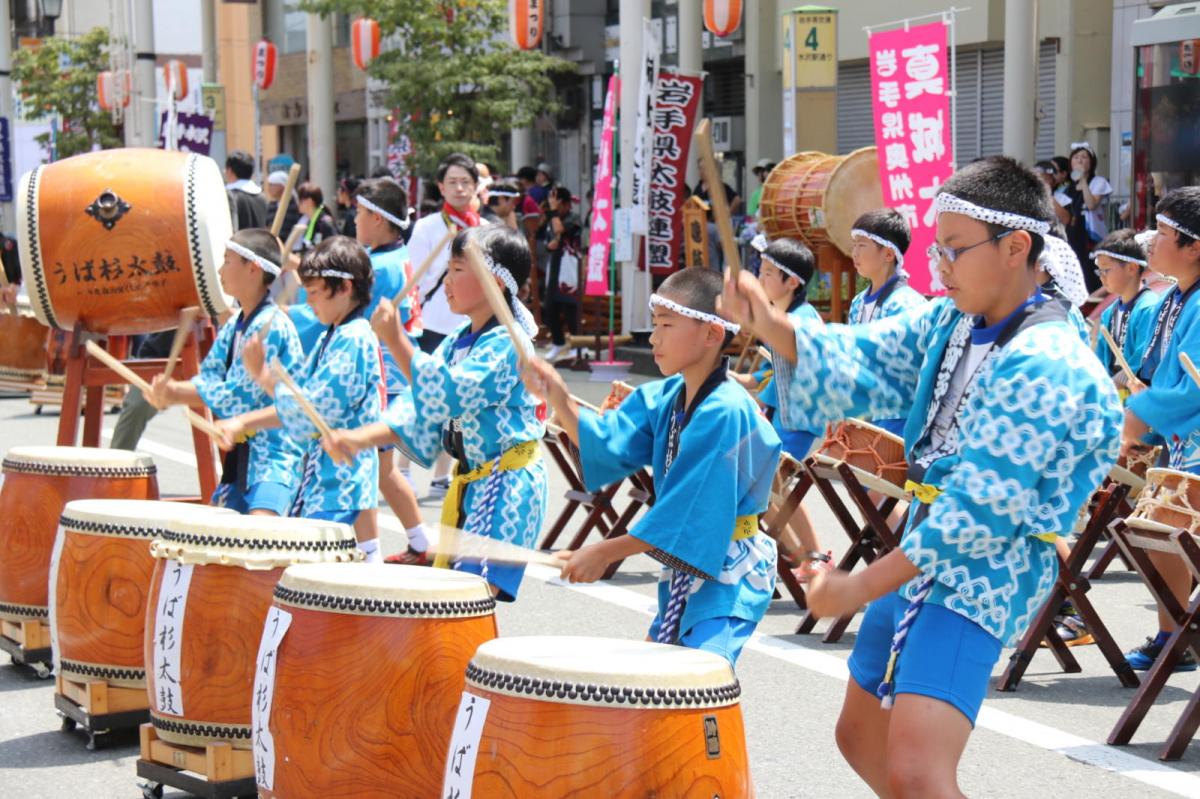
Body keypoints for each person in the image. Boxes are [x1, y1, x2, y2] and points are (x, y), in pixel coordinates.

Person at [719, 156, 1122, 795]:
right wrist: (770, 324)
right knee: (859, 737)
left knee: (918, 771)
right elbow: (867, 354)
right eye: (939, 250)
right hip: (923, 545)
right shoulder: (955, 323)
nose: (941, 267)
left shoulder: (1051, 364)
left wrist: (855, 588)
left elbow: (980, 515)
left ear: (1017, 247)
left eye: (955, 251)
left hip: (986, 569)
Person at [525, 267, 781, 666]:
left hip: (729, 569)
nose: (655, 339)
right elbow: (608, 442)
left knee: (702, 682)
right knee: (657, 686)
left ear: (712, 335)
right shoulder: (666, 394)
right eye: (655, 325)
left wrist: (605, 551)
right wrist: (558, 396)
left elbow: (689, 510)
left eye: (667, 325)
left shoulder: (725, 411)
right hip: (688, 564)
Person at [324, 225, 547, 596]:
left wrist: (396, 341)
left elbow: (449, 394)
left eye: (458, 269)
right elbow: (417, 406)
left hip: (506, 486)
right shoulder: (459, 340)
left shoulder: (509, 343)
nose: (446, 280)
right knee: (459, 599)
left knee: (470, 597)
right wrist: (356, 438)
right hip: (477, 482)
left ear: (496, 282)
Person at [215, 236, 383, 560]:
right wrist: (242, 420)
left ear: (345, 287)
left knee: (310, 577)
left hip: (340, 485)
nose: (308, 301)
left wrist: (262, 378)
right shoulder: (331, 336)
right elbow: (296, 399)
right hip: (323, 481)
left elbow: (308, 411)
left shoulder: (355, 340)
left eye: (315, 291)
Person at [147, 229, 304, 516]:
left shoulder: (270, 327)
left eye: (227, 260)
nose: (220, 270)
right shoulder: (237, 325)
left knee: (259, 542)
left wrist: (176, 392)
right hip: (241, 459)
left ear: (252, 269)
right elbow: (210, 376)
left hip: (275, 459)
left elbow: (238, 395)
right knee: (215, 539)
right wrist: (174, 393)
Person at [1121, 187, 1200, 673]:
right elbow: (1165, 372)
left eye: (1164, 234)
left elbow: (1194, 386)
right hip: (1180, 440)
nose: (1151, 242)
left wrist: (1137, 415)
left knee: (1175, 537)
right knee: (1163, 536)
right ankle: (1175, 638)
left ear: (1194, 246)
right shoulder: (1175, 298)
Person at [728, 238, 826, 579]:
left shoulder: (803, 319)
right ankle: (806, 556)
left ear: (792, 282)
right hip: (783, 417)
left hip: (799, 419)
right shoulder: (782, 316)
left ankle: (807, 555)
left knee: (769, 486)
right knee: (774, 489)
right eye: (761, 270)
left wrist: (759, 392)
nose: (761, 277)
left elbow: (805, 369)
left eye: (769, 273)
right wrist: (749, 380)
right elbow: (776, 369)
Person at [408, 153, 482, 500]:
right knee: (423, 399)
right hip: (433, 324)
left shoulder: (481, 228)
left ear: (476, 186)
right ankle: (405, 469)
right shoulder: (426, 227)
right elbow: (414, 278)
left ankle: (442, 474)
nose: (459, 187)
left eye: (465, 181)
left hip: (470, 325)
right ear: (440, 187)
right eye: (452, 181)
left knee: (457, 405)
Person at [846, 209, 928, 434]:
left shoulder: (907, 305)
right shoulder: (858, 303)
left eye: (862, 245)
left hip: (896, 418)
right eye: (855, 245)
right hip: (863, 413)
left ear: (889, 254)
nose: (854, 253)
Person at [1092, 229, 1159, 384]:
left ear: (1132, 268)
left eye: (1106, 270)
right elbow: (1101, 359)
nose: (1102, 276)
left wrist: (1110, 387)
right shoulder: (1109, 313)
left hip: (1137, 392)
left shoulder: (1148, 309)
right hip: (1114, 389)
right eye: (1099, 271)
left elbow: (1141, 361)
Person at [1054, 143, 1113, 293]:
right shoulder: (1066, 188)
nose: (1080, 160)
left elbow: (1091, 204)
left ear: (1091, 162)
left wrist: (1083, 181)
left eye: (1084, 157)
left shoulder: (1098, 182)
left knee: (1090, 268)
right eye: (1076, 157)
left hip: (1090, 235)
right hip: (1072, 231)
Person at [540, 186, 583, 362]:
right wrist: (548, 245)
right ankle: (558, 342)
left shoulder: (574, 218)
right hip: (555, 265)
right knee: (550, 307)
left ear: (565, 204)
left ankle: (577, 344)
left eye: (557, 203)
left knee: (570, 307)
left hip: (570, 265)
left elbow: (559, 230)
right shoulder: (552, 217)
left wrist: (553, 211)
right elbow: (548, 236)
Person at [225, 150, 268, 231]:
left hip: (237, 242)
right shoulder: (262, 197)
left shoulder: (229, 196)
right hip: (260, 242)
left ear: (229, 171)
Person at [295, 182, 340, 252]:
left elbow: (334, 250)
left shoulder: (325, 223)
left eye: (300, 200)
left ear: (309, 201)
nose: (297, 203)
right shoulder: (310, 221)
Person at [337, 175, 363, 240]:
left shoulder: (351, 215)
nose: (338, 192)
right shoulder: (355, 210)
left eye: (340, 189)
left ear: (345, 193)